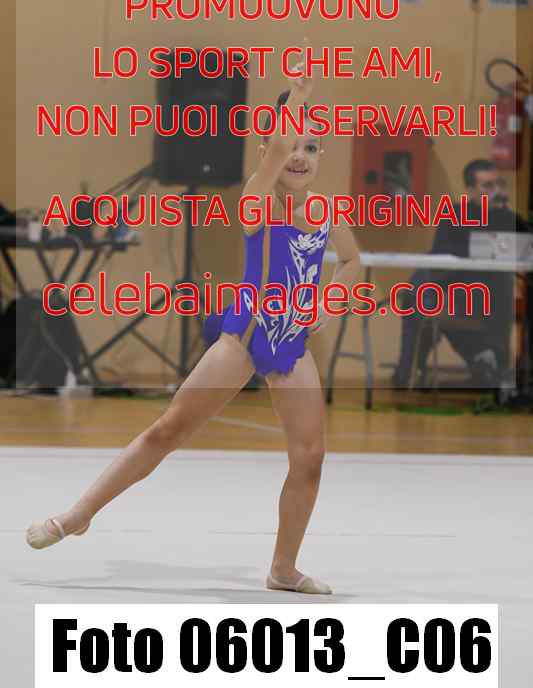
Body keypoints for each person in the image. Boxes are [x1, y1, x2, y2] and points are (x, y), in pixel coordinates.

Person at [26, 50, 361, 595]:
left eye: (312, 147)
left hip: (290, 344)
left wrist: (330, 301)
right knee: (168, 430)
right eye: (290, 145)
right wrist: (297, 100)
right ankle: (79, 514)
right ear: (266, 152)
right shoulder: (256, 199)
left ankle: (282, 568)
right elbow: (278, 152)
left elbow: (352, 261)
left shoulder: (326, 212)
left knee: (311, 458)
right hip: (244, 337)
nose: (299, 156)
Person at [393, 159, 528, 389]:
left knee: (421, 301)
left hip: (487, 298)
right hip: (451, 290)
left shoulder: (508, 218)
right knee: (419, 297)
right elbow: (441, 258)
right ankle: (478, 358)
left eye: (499, 184)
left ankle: (482, 359)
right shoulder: (455, 214)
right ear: (471, 190)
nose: (496, 190)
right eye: (488, 186)